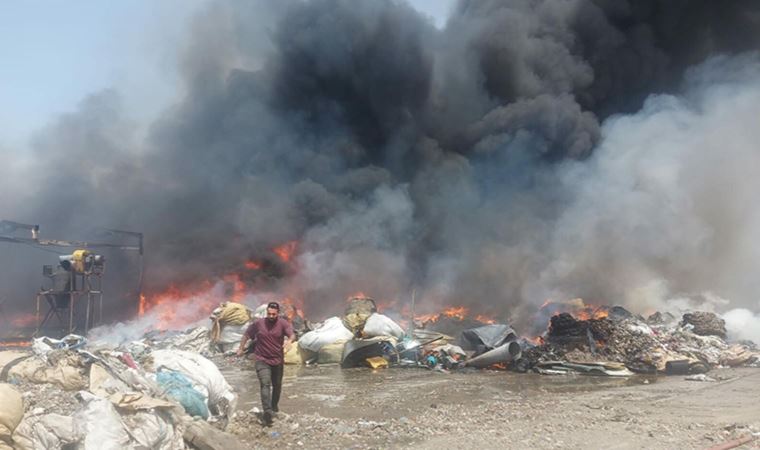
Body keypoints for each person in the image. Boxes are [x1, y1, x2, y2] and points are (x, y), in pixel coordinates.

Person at [237, 302, 294, 426]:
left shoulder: (283, 323)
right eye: (269, 314)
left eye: (274, 314)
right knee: (265, 384)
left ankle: (274, 407)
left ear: (278, 313)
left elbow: (292, 334)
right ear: (266, 313)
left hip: (277, 360)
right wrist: (241, 348)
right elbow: (247, 335)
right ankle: (267, 411)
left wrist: (289, 341)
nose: (271, 316)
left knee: (277, 385)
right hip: (262, 359)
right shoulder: (259, 323)